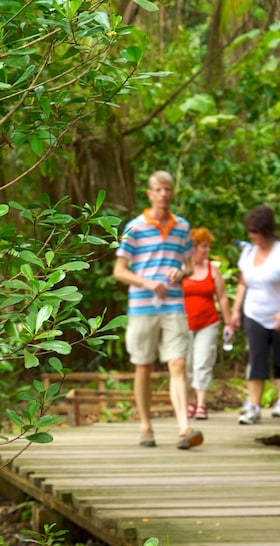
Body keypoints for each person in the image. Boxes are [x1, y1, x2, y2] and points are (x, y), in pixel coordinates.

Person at [113, 170, 204, 450]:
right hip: (142, 305)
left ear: (171, 193)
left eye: (168, 189)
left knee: (177, 363)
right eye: (159, 190)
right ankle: (146, 426)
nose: (164, 194)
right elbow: (119, 271)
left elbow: (189, 265)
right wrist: (147, 282)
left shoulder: (182, 227)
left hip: (174, 303)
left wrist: (180, 271)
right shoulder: (135, 227)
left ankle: (184, 428)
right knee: (144, 366)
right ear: (150, 194)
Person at [228, 205, 280, 424]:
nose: (252, 236)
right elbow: (242, 284)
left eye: (256, 232)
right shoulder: (248, 252)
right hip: (255, 312)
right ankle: (254, 406)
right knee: (257, 359)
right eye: (249, 231)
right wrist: (235, 312)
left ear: (267, 230)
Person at [181, 227, 231, 421]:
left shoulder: (213, 269)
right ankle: (190, 401)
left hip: (208, 322)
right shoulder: (182, 268)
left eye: (208, 247)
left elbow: (223, 297)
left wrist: (228, 323)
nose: (206, 250)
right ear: (192, 247)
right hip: (184, 323)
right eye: (203, 246)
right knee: (186, 364)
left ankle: (201, 404)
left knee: (203, 362)